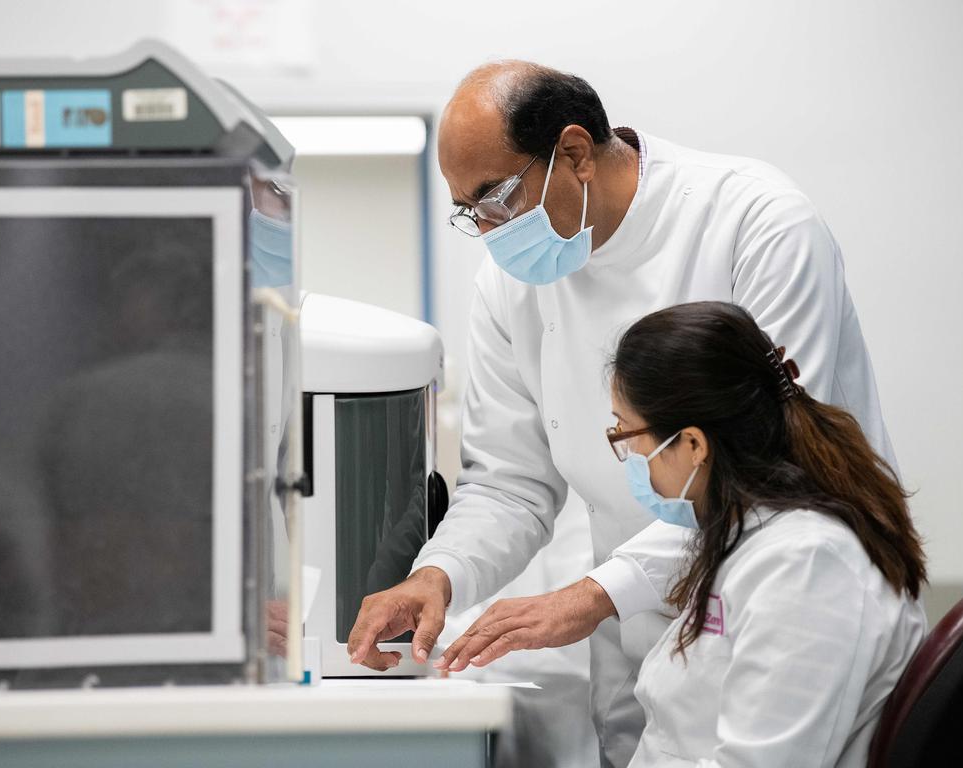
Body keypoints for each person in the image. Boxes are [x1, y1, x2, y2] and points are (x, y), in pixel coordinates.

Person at [347, 61, 899, 767]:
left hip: (774, 609)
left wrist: (597, 592)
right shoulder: (510, 286)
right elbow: (510, 484)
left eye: (496, 200)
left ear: (574, 153)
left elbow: (774, 468)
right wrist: (439, 574)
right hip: (650, 638)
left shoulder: (755, 222)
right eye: (467, 213)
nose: (487, 232)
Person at [439, 301, 928, 766]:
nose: (626, 457)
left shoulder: (807, 566)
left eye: (626, 436)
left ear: (693, 444)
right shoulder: (747, 544)